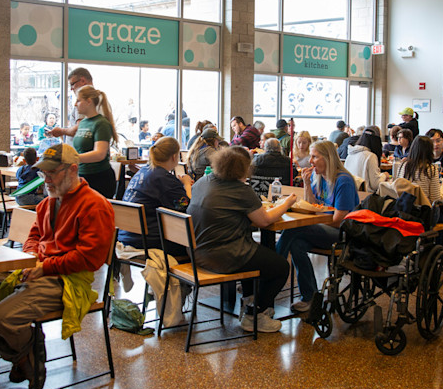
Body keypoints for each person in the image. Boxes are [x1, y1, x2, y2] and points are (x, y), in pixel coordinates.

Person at [0, 144, 114, 389]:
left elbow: (90, 258)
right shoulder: (47, 203)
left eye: (52, 173)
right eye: (44, 173)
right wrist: (31, 256)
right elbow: (33, 236)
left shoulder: (94, 205)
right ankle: (24, 355)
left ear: (73, 170)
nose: (47, 179)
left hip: (67, 280)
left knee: (2, 317)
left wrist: (45, 267)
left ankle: (28, 356)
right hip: (38, 269)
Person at [188, 146, 297, 331]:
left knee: (254, 252)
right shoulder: (240, 190)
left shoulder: (202, 182)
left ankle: (249, 300)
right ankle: (256, 315)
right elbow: (265, 221)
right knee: (280, 267)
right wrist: (287, 203)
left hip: (197, 252)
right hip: (224, 256)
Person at [277, 140, 359, 312]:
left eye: (315, 157)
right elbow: (312, 207)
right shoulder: (319, 177)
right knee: (297, 244)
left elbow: (338, 221)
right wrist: (307, 184)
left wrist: (310, 222)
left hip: (342, 235)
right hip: (322, 230)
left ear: (328, 158)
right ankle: (310, 297)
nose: (311, 161)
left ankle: (272, 270)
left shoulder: (343, 181)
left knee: (294, 229)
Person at [119, 136, 192, 257]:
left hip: (126, 236)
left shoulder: (142, 172)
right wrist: (187, 185)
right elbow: (187, 209)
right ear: (174, 156)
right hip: (150, 241)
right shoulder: (165, 179)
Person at [51, 85, 118, 198]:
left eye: (78, 100)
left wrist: (73, 157)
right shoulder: (83, 123)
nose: (75, 104)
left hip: (99, 178)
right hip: (81, 176)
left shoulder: (101, 123)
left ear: (88, 101)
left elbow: (99, 154)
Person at [390, 136, 443, 204]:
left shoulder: (402, 165)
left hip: (403, 208)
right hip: (422, 210)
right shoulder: (430, 169)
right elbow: (435, 199)